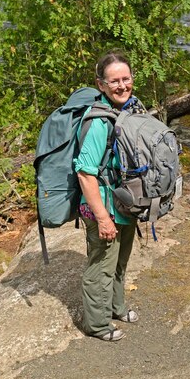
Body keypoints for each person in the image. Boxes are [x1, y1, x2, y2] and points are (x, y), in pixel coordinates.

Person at [73, 51, 146, 341]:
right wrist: (102, 218)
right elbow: (85, 174)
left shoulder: (131, 109)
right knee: (101, 268)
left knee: (119, 262)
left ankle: (116, 307)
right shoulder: (98, 123)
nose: (121, 85)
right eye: (114, 81)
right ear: (101, 85)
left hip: (124, 203)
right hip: (102, 206)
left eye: (126, 79)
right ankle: (97, 325)